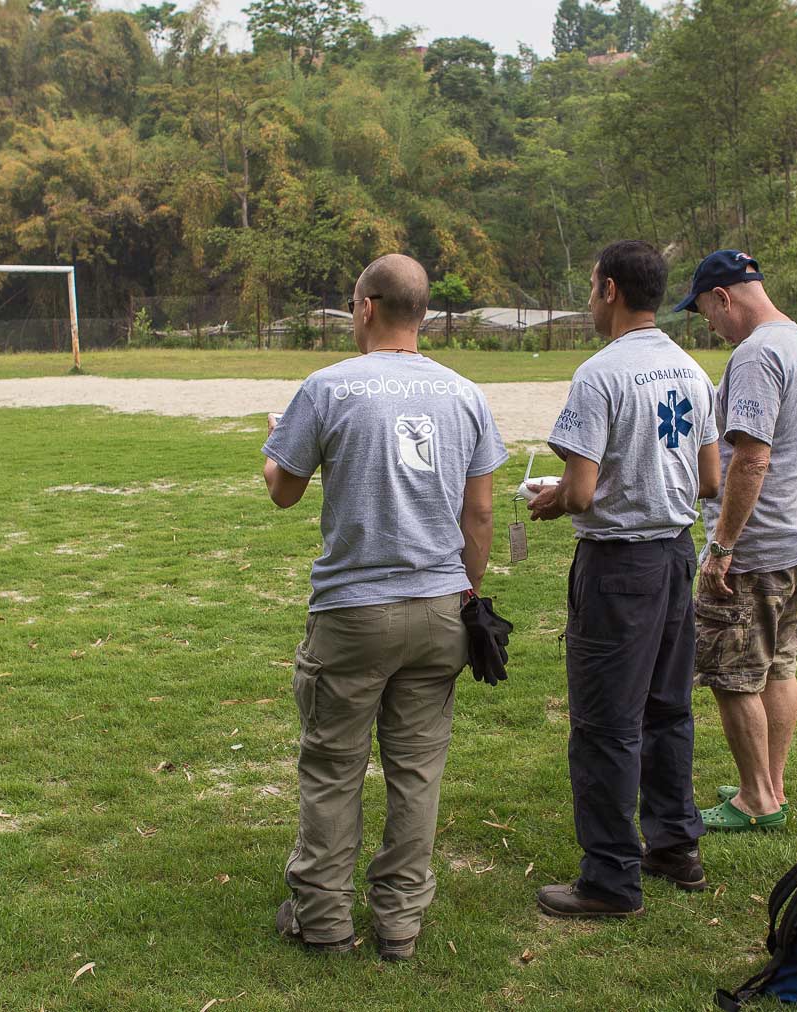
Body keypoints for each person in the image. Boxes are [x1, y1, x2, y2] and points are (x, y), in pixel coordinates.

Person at [261, 253, 508, 960]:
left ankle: (323, 919)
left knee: (332, 768)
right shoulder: (465, 394)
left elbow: (283, 490)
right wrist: (466, 593)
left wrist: (273, 444)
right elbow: (480, 514)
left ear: (366, 307)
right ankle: (399, 920)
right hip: (439, 607)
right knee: (417, 772)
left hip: (352, 611)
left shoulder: (327, 387)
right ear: (422, 313)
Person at [527, 240, 721, 918]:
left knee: (605, 724)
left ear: (609, 289)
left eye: (591, 286)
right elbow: (710, 479)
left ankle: (610, 879)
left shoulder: (599, 375)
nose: (589, 297)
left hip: (617, 568)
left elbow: (581, 492)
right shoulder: (692, 371)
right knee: (668, 709)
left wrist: (551, 499)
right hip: (675, 556)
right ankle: (675, 845)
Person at [674, 250, 797, 834]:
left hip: (758, 549)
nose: (710, 326)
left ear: (723, 297)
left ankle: (757, 799)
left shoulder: (756, 355)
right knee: (779, 664)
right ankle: (770, 783)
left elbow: (752, 457)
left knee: (732, 671)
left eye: (705, 313)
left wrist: (722, 544)